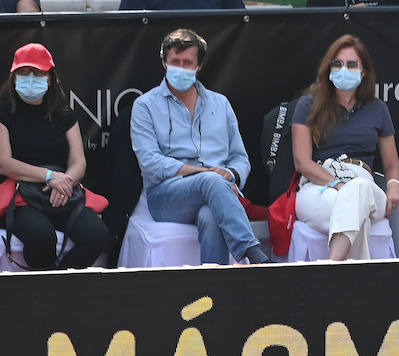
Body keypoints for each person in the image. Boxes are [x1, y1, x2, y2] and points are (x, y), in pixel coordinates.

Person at [130, 28, 270, 265]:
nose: (181, 68)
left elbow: (240, 159)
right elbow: (150, 163)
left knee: (210, 215)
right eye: (175, 62)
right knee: (211, 182)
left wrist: (230, 174)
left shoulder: (220, 103)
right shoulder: (145, 105)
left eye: (188, 62)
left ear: (199, 66)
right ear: (164, 63)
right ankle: (254, 255)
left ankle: (212, 289)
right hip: (166, 197)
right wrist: (206, 175)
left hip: (218, 190)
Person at [291, 34, 399, 261]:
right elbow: (302, 162)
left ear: (364, 71)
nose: (344, 69)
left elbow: (391, 163)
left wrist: (393, 185)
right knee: (355, 213)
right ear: (328, 69)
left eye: (352, 64)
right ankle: (350, 284)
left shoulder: (377, 108)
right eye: (337, 64)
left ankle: (333, 268)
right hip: (319, 186)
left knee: (359, 189)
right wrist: (338, 185)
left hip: (366, 186)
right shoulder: (308, 105)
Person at [0, 43, 110, 269]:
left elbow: (79, 162)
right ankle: (42, 295)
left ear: (49, 78)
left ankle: (59, 288)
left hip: (62, 192)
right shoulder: (4, 110)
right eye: (23, 73)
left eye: (38, 73)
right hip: (21, 194)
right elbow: (4, 162)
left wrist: (65, 183)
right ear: (14, 77)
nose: (30, 78)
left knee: (97, 235)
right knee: (42, 237)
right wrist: (49, 176)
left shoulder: (64, 112)